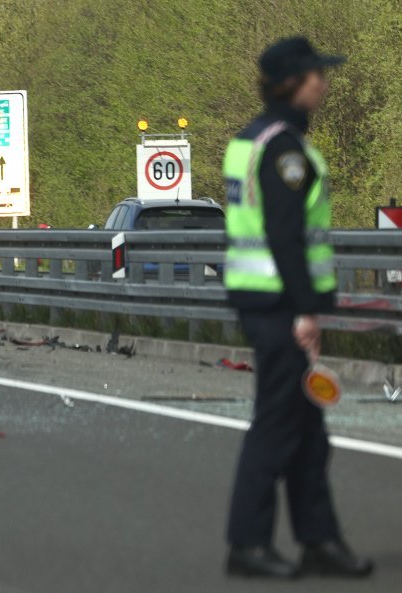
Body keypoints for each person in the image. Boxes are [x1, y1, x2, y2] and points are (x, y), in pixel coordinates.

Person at [222, 37, 373, 579]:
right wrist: (306, 313)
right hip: (279, 303)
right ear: (294, 81)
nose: (324, 84)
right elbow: (285, 237)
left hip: (266, 299)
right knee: (278, 426)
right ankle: (247, 544)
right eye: (317, 76)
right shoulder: (284, 149)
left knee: (309, 432)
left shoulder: (254, 140)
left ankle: (320, 539)